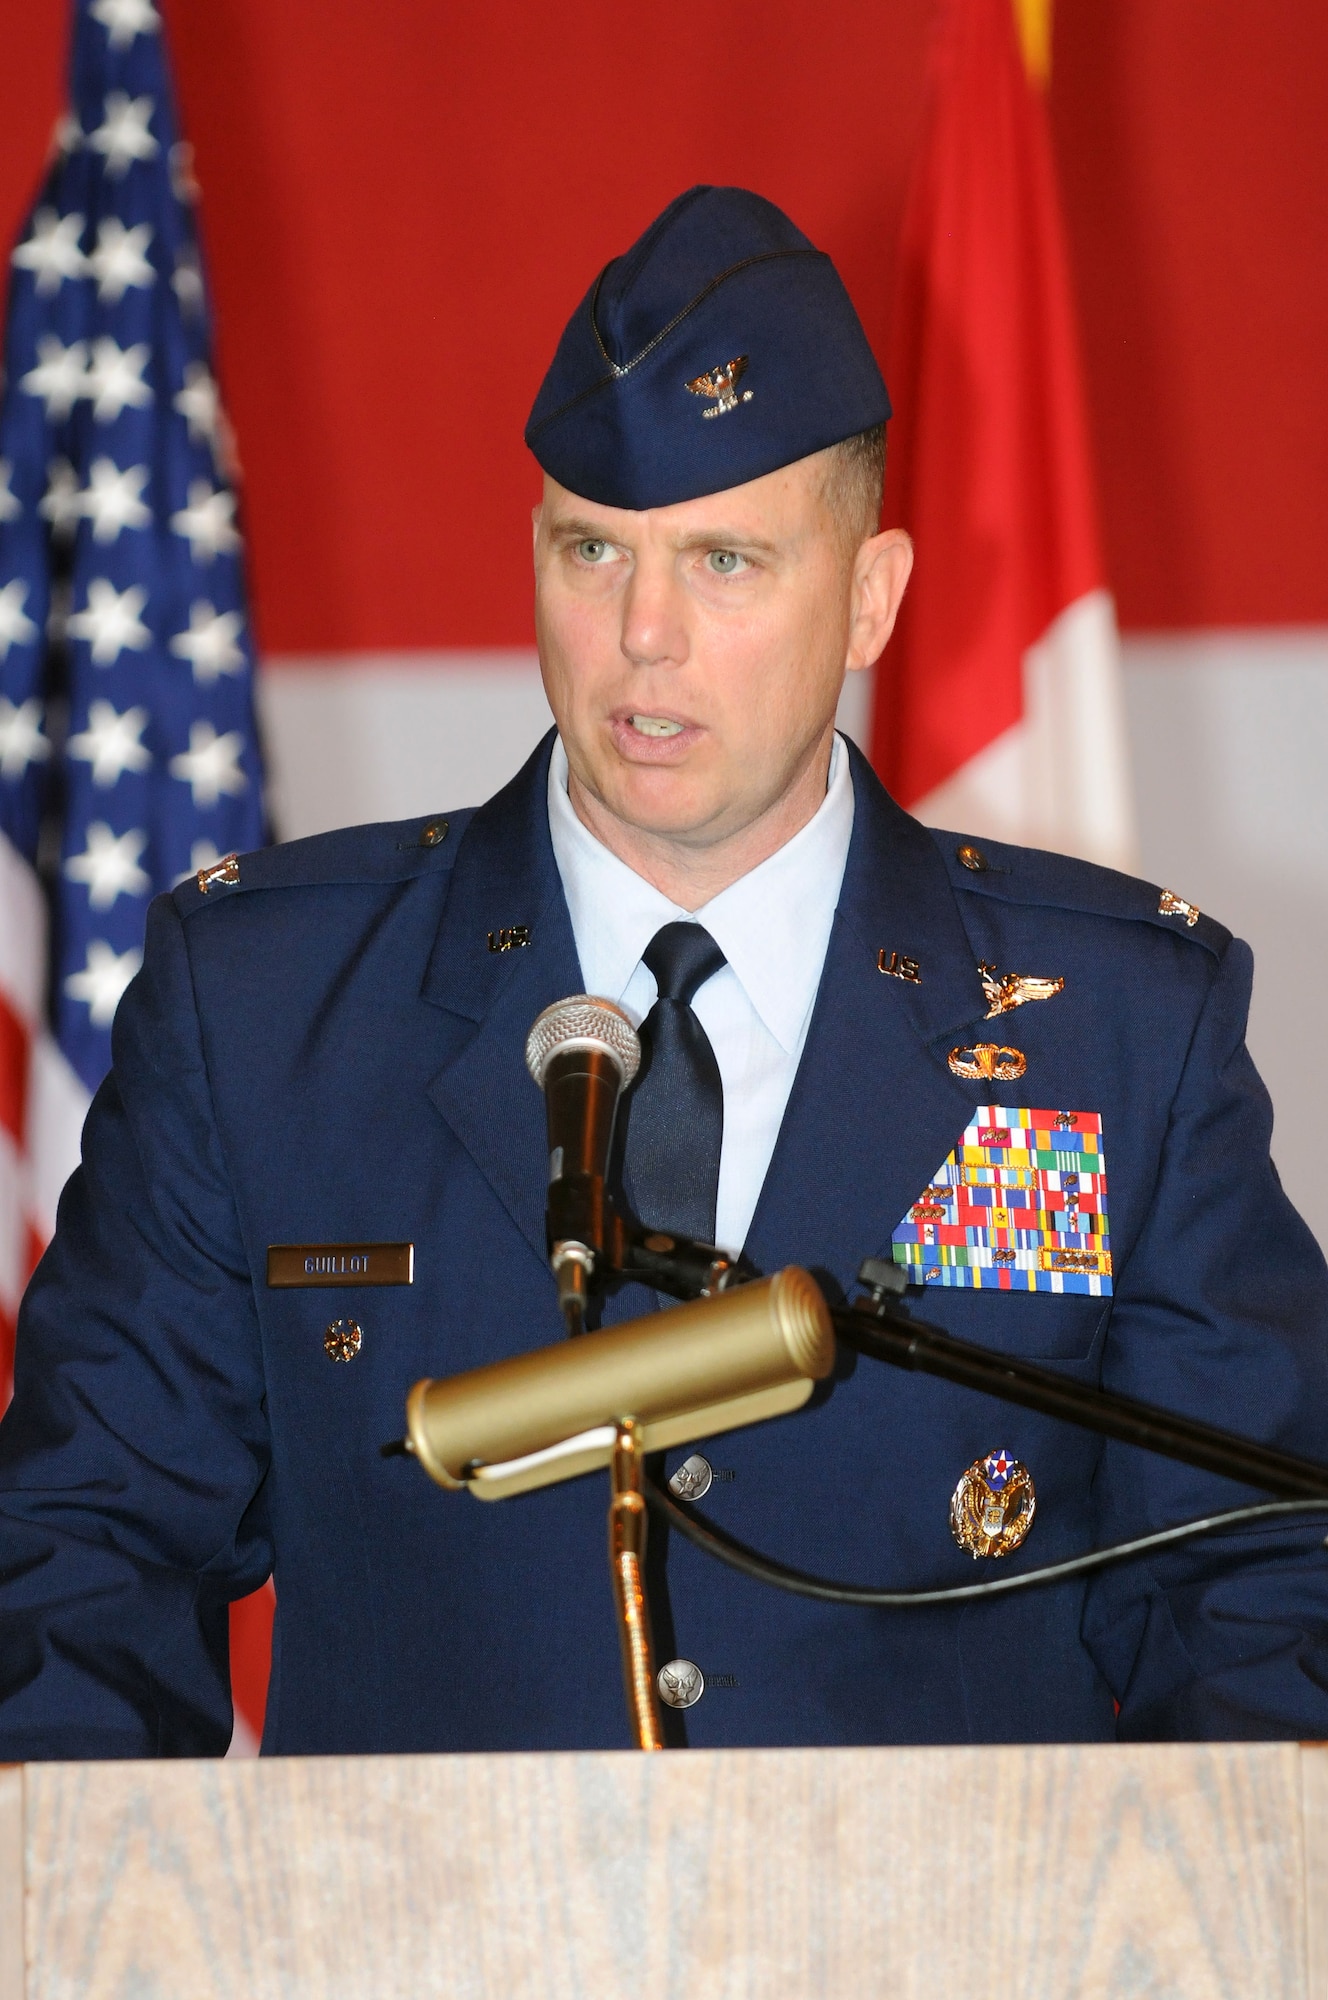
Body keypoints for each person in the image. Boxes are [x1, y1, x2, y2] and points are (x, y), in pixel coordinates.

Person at [1, 186, 1326, 1760]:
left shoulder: (1118, 1031)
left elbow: (1260, 1589)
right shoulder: (270, 1006)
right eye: (591, 549)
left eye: (725, 562)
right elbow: (78, 1562)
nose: (642, 635)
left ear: (873, 598)